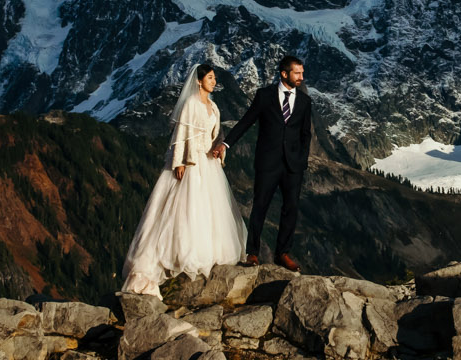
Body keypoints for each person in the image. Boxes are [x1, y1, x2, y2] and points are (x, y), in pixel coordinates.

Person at [120, 64, 246, 296]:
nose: (213, 81)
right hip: (191, 161)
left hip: (208, 163)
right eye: (209, 78)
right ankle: (177, 255)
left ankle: (205, 253)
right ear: (198, 81)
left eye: (214, 78)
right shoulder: (191, 104)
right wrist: (178, 162)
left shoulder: (214, 106)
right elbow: (180, 135)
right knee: (184, 208)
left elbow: (216, 135)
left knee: (206, 210)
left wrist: (220, 149)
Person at [219, 55, 316, 270]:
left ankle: (282, 253)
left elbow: (305, 134)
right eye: (297, 73)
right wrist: (226, 144)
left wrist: (301, 159)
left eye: (302, 72)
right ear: (284, 74)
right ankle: (252, 253)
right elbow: (246, 121)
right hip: (268, 161)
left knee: (291, 207)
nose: (302, 76)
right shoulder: (264, 96)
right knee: (260, 206)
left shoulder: (304, 101)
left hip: (293, 165)